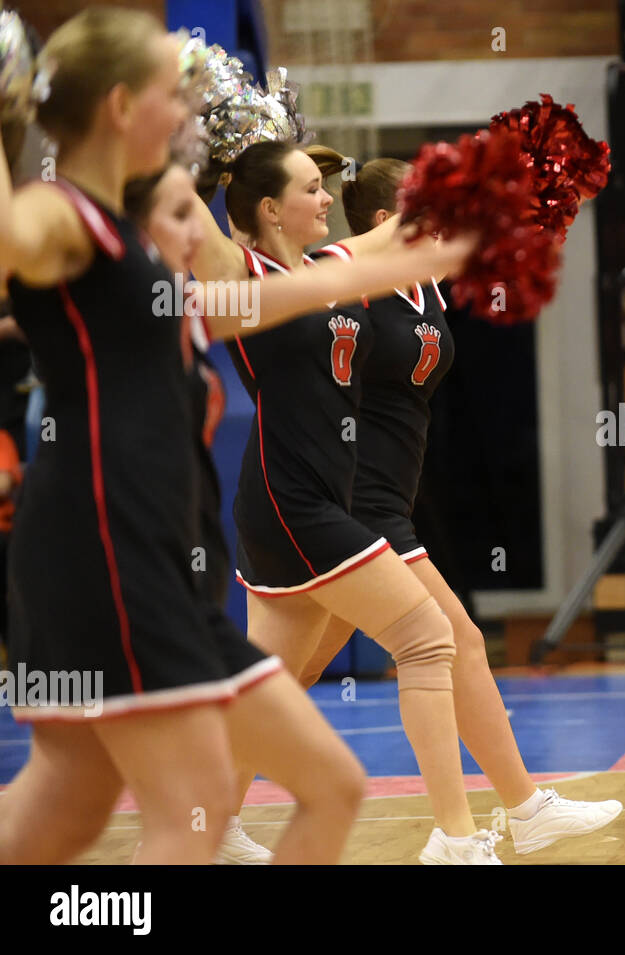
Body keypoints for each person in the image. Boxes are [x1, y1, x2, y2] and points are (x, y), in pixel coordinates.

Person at [0, 8, 362, 865]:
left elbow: (277, 294)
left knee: (66, 814)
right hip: (104, 547)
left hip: (156, 559)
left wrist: (429, 253)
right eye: (173, 95)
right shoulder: (65, 219)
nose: (189, 114)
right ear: (124, 106)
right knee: (189, 809)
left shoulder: (149, 274)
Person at [121, 160, 473, 862]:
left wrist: (486, 184)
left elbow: (407, 230)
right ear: (270, 210)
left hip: (305, 500)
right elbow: (182, 201)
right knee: (429, 638)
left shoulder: (326, 264)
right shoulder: (243, 275)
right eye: (310, 187)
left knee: (273, 687)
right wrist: (183, 142)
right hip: (294, 502)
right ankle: (456, 840)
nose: (325, 198)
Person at [291, 152, 624, 858]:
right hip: (352, 501)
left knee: (296, 670)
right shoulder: (358, 283)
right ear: (389, 223)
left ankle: (209, 800)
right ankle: (472, 827)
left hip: (385, 502)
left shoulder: (425, 284)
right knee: (449, 643)